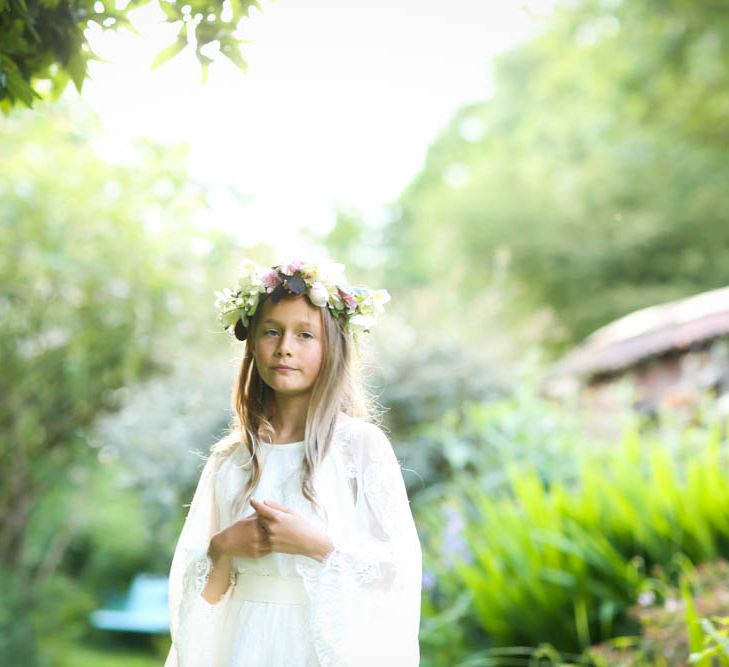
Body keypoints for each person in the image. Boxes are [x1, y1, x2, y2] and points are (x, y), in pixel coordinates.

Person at [164, 258, 422, 667]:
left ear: (332, 349)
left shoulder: (359, 447)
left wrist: (316, 545)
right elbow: (203, 598)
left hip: (317, 648)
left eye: (305, 335)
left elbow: (395, 573)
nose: (285, 346)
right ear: (252, 345)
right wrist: (223, 548)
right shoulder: (231, 460)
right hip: (242, 646)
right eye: (272, 332)